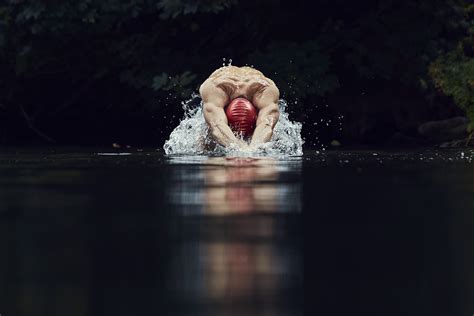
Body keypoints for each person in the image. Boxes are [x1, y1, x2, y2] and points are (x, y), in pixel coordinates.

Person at [199, 65, 280, 151]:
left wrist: (253, 149)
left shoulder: (265, 88)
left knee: (274, 135)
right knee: (206, 138)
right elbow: (217, 125)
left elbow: (267, 124)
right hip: (222, 83)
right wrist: (241, 149)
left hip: (257, 84)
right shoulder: (215, 87)